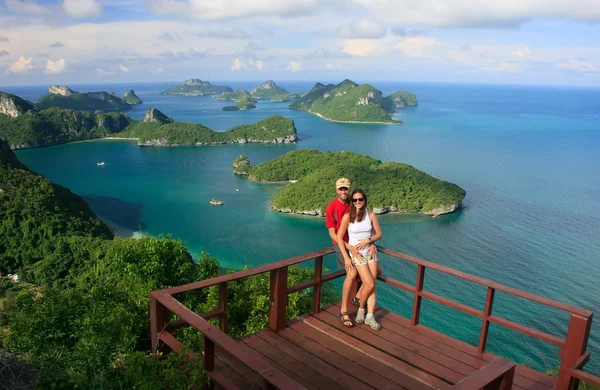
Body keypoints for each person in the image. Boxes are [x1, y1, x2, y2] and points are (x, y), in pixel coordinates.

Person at [325, 178, 376, 328]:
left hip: (358, 245)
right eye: (340, 189)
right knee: (352, 274)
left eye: (345, 189)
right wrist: (348, 248)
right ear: (336, 190)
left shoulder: (354, 202)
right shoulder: (331, 208)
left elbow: (368, 223)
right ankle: (344, 310)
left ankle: (358, 295)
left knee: (377, 271)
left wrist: (371, 242)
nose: (343, 192)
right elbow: (333, 234)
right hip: (342, 245)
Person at [337, 189, 383, 330]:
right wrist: (346, 256)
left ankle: (369, 315)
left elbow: (379, 233)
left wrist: (370, 241)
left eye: (360, 199)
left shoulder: (371, 215)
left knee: (372, 283)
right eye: (355, 200)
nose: (358, 202)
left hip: (369, 251)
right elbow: (339, 237)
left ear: (365, 200)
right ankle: (361, 308)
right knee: (369, 284)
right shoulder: (348, 217)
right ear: (352, 202)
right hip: (357, 254)